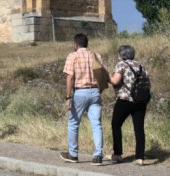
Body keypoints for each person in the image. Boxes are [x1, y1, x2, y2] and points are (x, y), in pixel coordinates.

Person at [61, 33, 107, 165]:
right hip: (95, 92)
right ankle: (98, 155)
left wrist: (68, 96)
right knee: (96, 124)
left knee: (73, 124)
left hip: (80, 92)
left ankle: (73, 154)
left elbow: (70, 77)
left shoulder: (72, 56)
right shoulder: (96, 55)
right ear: (87, 43)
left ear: (75, 44)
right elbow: (103, 72)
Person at [110, 44, 152, 165]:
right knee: (139, 128)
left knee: (116, 124)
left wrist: (107, 77)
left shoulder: (121, 65)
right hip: (140, 101)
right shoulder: (141, 66)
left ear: (122, 55)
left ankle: (117, 154)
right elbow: (147, 83)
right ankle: (139, 157)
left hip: (125, 99)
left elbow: (115, 81)